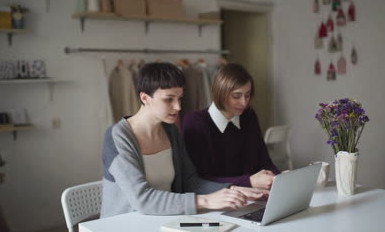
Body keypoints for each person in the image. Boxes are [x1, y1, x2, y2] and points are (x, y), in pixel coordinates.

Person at [101, 62, 268, 220]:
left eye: (180, 98)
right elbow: (142, 199)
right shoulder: (118, 137)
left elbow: (190, 182)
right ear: (145, 98)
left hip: (163, 223)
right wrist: (206, 201)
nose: (178, 107)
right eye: (169, 99)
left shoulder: (170, 131)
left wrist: (233, 190)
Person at [182, 63, 280, 190]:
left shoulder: (248, 116)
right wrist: (249, 181)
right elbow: (201, 180)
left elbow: (264, 161)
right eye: (236, 96)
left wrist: (279, 178)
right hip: (217, 202)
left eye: (247, 95)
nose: (244, 102)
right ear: (221, 93)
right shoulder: (195, 122)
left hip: (251, 197)